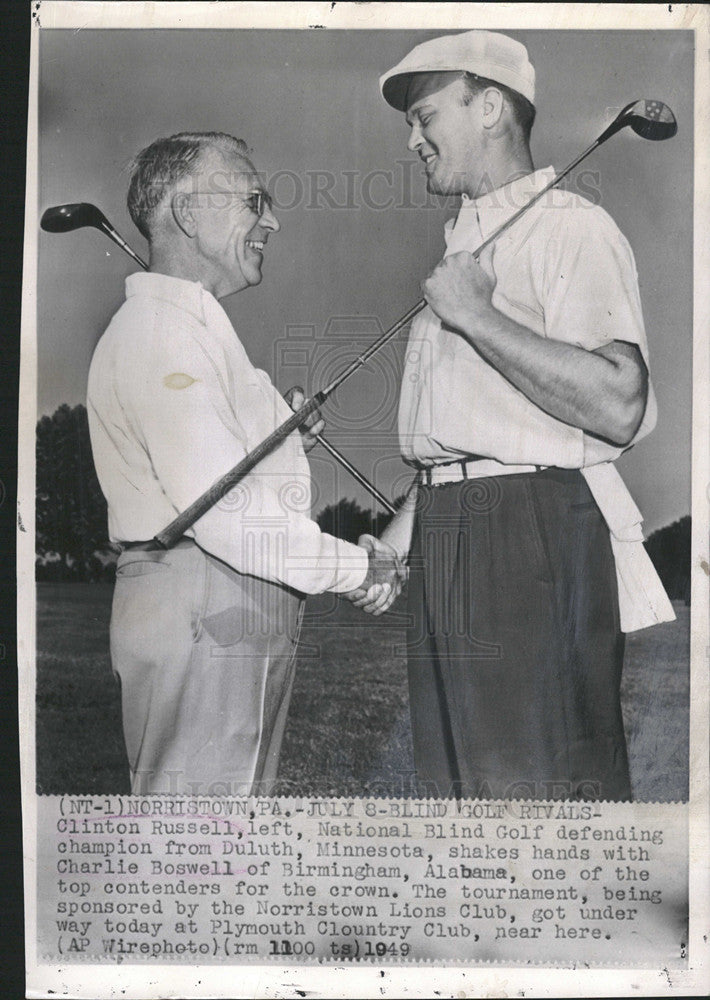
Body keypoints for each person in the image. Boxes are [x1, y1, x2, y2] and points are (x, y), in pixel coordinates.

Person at [358, 31, 675, 800]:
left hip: (529, 529)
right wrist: (406, 532)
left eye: (426, 116)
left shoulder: (570, 226)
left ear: (491, 106)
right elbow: (469, 425)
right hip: (450, 526)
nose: (413, 140)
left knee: (536, 789)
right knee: (459, 787)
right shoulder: (466, 242)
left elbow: (618, 401)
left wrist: (479, 318)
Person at [87, 131, 403, 796]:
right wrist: (358, 566)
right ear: (187, 213)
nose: (273, 220)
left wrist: (282, 437)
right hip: (208, 593)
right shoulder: (165, 335)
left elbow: (227, 483)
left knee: (228, 846)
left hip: (230, 598)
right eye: (254, 201)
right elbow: (227, 519)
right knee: (200, 858)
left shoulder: (189, 329)